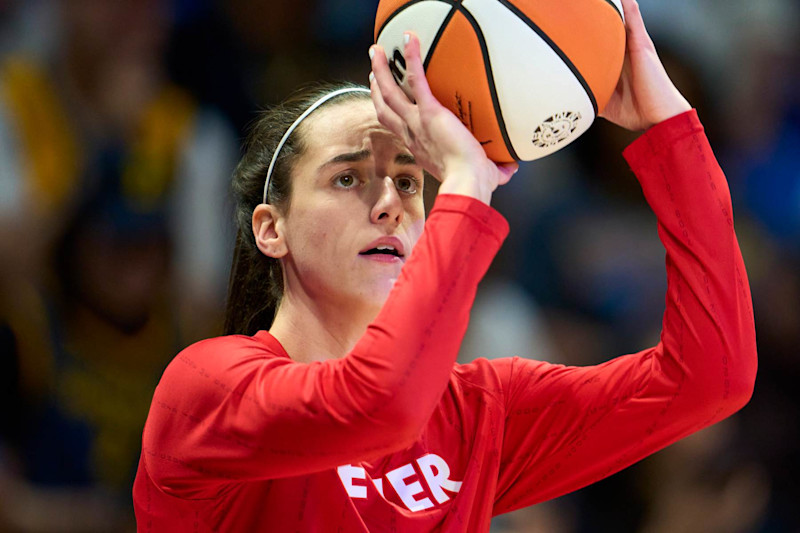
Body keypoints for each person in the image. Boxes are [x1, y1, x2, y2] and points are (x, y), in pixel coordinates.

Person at [132, 0, 757, 530]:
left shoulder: (477, 410)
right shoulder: (207, 388)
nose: (388, 206)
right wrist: (464, 183)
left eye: (409, 182)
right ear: (272, 229)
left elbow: (711, 378)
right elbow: (380, 404)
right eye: (347, 177)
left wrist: (668, 125)